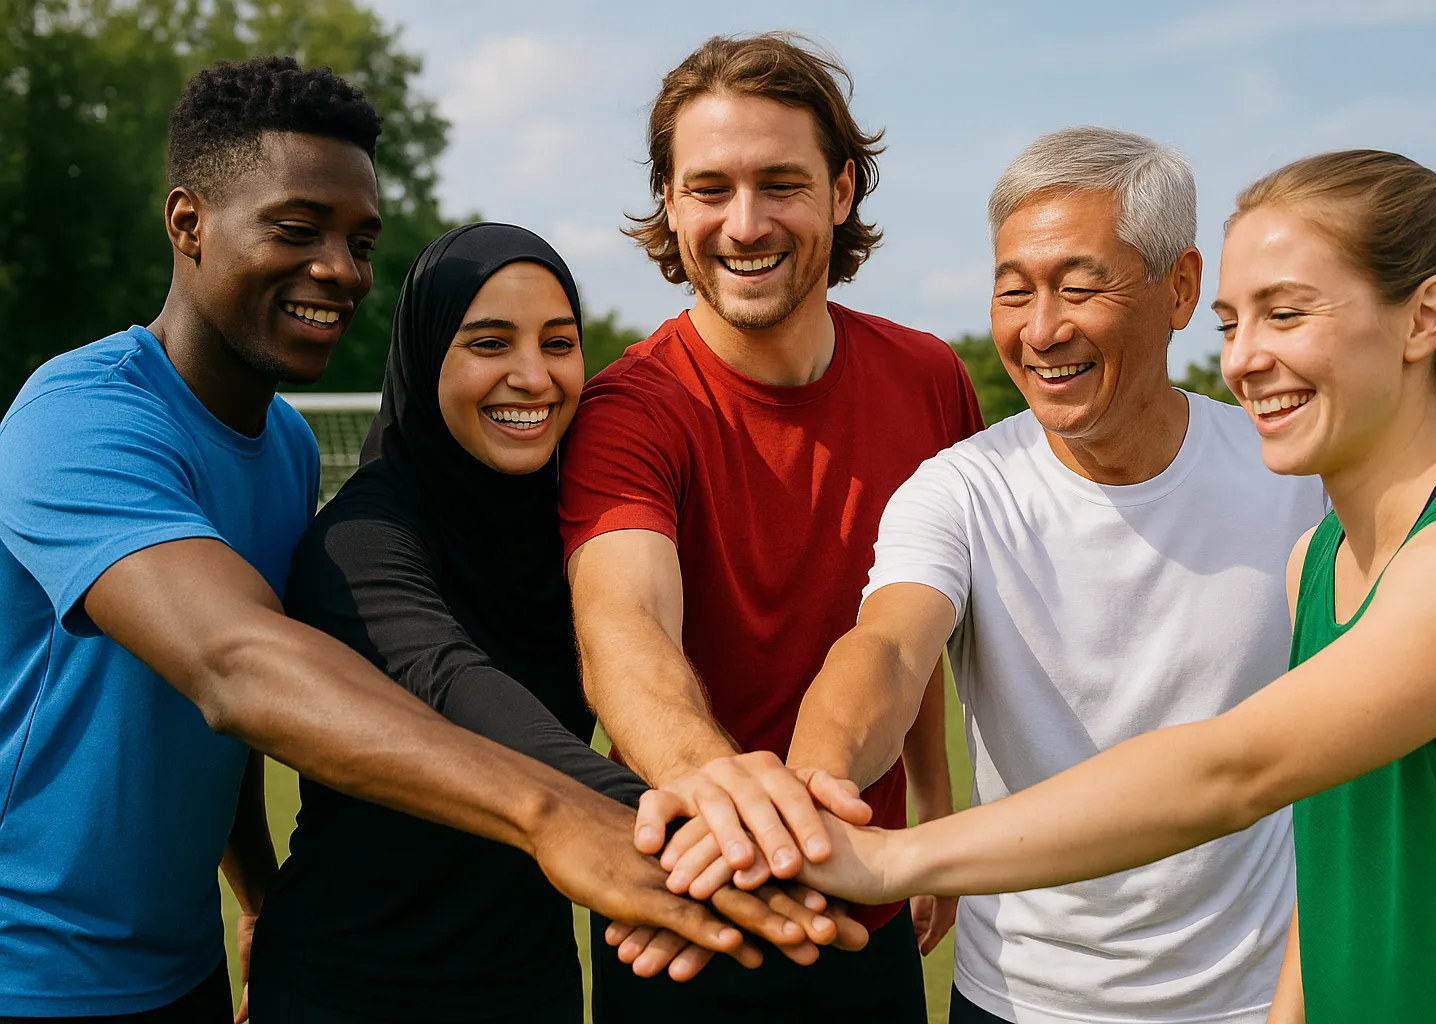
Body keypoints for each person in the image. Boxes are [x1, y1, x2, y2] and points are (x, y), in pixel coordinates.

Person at [0, 57, 824, 1024]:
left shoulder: (285, 447)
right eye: (297, 230)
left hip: (180, 963)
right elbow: (232, 664)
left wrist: (257, 891)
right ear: (187, 224)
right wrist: (559, 811)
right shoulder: (77, 420)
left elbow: (203, 713)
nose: (340, 271)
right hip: (35, 966)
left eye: (360, 240)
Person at [789, 150, 1436, 1023]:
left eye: (1286, 314)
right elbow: (1328, 838)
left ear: (1424, 319)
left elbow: (1234, 770)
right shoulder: (1321, 559)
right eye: (1235, 323)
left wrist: (888, 860)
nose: (1247, 358)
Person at [647, 126, 1330, 1024]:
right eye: (1014, 291)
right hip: (1015, 1001)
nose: (1041, 330)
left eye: (1079, 288)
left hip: (1254, 1001)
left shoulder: (1297, 478)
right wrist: (809, 802)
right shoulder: (961, 487)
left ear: (1181, 289)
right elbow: (888, 649)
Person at [248, 222, 853, 1023]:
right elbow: (458, 687)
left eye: (558, 342)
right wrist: (710, 824)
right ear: (429, 354)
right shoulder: (356, 542)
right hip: (351, 980)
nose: (532, 378)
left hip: (531, 979)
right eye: (490, 343)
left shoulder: (581, 527)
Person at [560, 32, 984, 1022]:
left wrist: (933, 806)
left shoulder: (929, 379)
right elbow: (622, 637)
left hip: (859, 896)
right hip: (680, 908)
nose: (744, 223)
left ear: (840, 192)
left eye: (779, 184)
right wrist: (754, 833)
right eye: (709, 187)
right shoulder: (631, 408)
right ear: (670, 201)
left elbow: (915, 621)